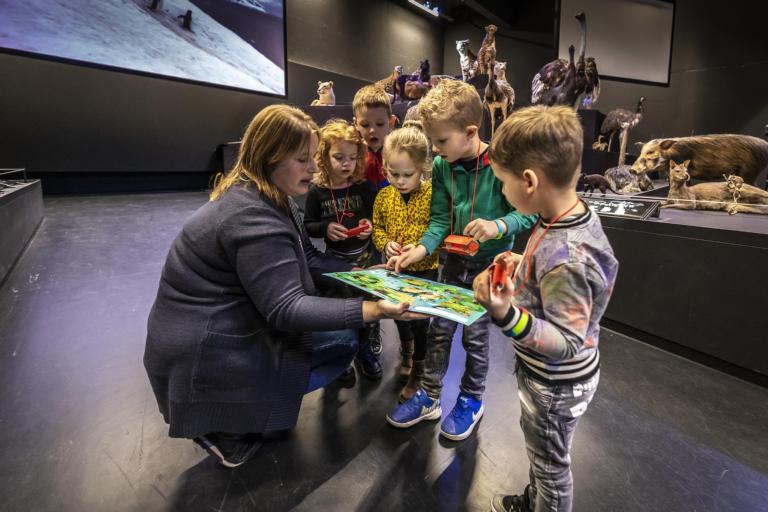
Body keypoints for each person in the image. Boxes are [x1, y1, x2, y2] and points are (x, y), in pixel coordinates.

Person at [143, 105, 424, 469]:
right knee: (342, 342)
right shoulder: (252, 218)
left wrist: (361, 273)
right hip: (204, 354)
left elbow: (309, 258)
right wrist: (374, 309)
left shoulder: (270, 197)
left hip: (216, 329)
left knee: (339, 339)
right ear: (270, 157)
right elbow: (287, 308)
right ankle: (226, 426)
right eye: (303, 159)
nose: (314, 169)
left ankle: (246, 408)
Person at [473, 106, 619, 512]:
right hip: (547, 377)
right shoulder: (563, 216)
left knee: (550, 467)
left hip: (555, 384)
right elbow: (561, 277)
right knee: (540, 451)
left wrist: (505, 313)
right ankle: (535, 499)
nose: (502, 192)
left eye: (502, 183)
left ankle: (544, 502)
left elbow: (567, 341)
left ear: (529, 181)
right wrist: (526, 266)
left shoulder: (567, 255)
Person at [385, 80, 537, 440]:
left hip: (490, 269)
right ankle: (430, 396)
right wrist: (420, 250)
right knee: (439, 332)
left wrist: (498, 225)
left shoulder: (502, 163)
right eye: (433, 141)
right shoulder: (442, 166)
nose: (435, 150)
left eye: (440, 141)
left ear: (470, 132)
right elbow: (440, 220)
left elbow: (528, 213)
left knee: (476, 339)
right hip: (452, 265)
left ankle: (471, 398)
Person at [303, 119, 382, 380]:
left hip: (366, 258)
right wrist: (325, 228)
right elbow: (308, 225)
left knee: (367, 305)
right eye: (339, 157)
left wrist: (369, 224)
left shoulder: (363, 187)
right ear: (324, 156)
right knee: (340, 308)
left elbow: (377, 217)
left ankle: (365, 349)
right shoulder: (317, 192)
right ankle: (342, 357)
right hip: (334, 260)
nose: (346, 164)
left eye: (352, 158)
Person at [371, 121, 437, 400]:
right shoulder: (384, 196)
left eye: (407, 174)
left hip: (424, 270)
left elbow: (439, 230)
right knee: (399, 317)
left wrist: (422, 247)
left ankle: (419, 368)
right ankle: (407, 351)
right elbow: (378, 227)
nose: (399, 180)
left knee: (420, 322)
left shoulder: (433, 195)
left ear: (423, 168)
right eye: (393, 173)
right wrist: (385, 243)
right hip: (394, 271)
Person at [353, 85, 397, 191]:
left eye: (380, 124)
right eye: (365, 125)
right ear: (356, 124)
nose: (372, 130)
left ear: (391, 123)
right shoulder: (353, 155)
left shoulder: (398, 151)